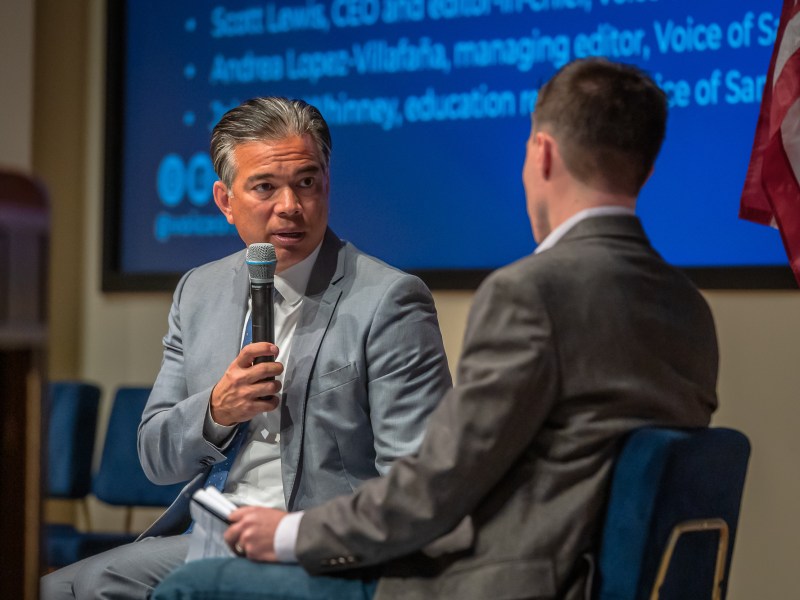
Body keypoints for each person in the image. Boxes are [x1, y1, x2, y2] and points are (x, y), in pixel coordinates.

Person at [152, 57, 720, 600]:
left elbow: (436, 482)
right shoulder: (688, 305)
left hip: (490, 582)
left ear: (541, 154)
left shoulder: (530, 292)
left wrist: (287, 534)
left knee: (183, 589)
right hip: (600, 579)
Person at [41, 97, 452, 599]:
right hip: (210, 533)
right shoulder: (199, 291)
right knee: (49, 588)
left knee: (102, 583)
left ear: (327, 182)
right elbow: (155, 456)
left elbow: (416, 480)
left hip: (318, 547)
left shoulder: (388, 299)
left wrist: (296, 536)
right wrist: (216, 410)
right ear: (224, 200)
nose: (290, 207)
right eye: (265, 187)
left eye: (307, 182)